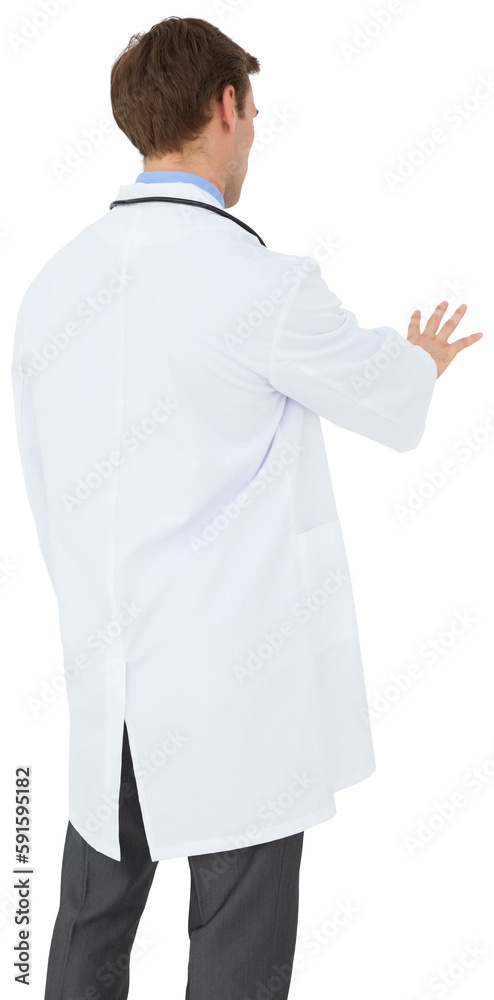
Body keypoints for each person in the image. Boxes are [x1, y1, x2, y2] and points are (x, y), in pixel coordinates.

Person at [10, 16, 482, 1000]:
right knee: (236, 964)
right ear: (225, 106)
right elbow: (384, 399)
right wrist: (419, 360)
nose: (255, 135)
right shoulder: (261, 284)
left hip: (108, 694)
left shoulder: (53, 289)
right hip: (239, 707)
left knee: (86, 942)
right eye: (255, 113)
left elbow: (49, 490)